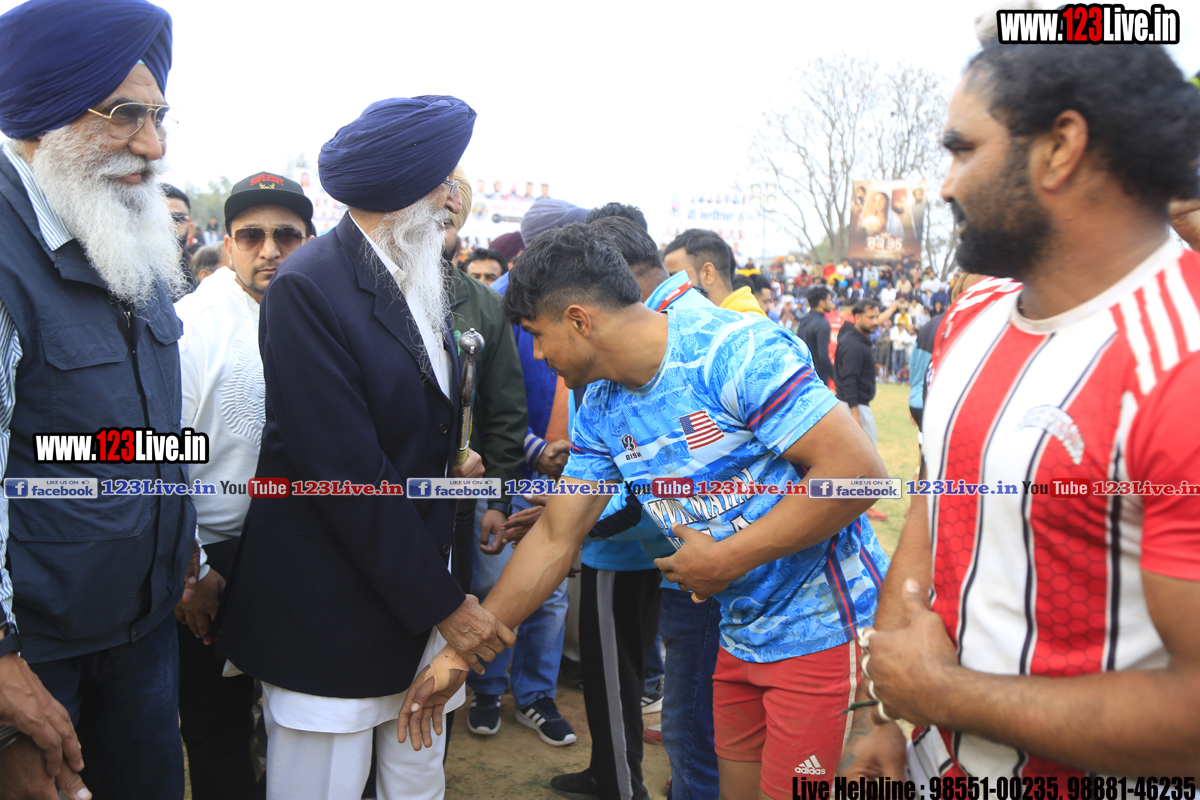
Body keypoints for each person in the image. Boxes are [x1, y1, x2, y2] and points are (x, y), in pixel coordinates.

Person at [401, 223, 892, 800]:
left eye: (537, 335)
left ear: (579, 320)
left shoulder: (733, 350)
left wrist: (728, 559)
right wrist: (462, 653)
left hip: (827, 631)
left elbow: (858, 473)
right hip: (740, 635)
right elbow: (556, 537)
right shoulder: (599, 405)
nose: (538, 355)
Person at [839, 41, 1200, 780]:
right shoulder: (972, 315)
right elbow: (933, 511)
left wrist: (943, 694)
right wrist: (876, 713)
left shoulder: (1180, 365)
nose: (944, 185)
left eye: (963, 149)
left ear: (1060, 147)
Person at [215, 96, 514, 800]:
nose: (452, 200)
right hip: (334, 614)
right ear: (403, 186)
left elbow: (409, 425)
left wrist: (449, 465)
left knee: (416, 784)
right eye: (443, 182)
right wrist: (446, 604)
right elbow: (344, 474)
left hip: (418, 594)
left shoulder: (419, 277)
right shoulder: (308, 287)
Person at [0, 1, 198, 798]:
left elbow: (137, 430)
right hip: (32, 657)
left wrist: (185, 539)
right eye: (124, 115)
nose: (153, 146)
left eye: (158, 117)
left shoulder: (124, 235)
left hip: (142, 627)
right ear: (44, 112)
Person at [173, 171, 314, 800]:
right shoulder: (190, 325)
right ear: (227, 244)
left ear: (308, 242)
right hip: (214, 556)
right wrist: (193, 570)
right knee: (216, 721)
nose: (270, 249)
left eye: (287, 234)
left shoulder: (320, 318)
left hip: (301, 549)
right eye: (251, 236)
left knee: (301, 713)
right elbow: (156, 457)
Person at [464, 196, 584, 748]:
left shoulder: (585, 299)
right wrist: (535, 450)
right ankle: (487, 689)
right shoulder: (497, 304)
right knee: (496, 582)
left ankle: (535, 694)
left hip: (569, 476)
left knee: (551, 592)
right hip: (510, 472)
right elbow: (482, 405)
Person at [663, 229, 764, 316]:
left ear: (708, 274)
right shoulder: (717, 321)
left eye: (676, 277)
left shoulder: (748, 327)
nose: (670, 287)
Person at [834, 299, 883, 450]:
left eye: (877, 317)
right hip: (853, 406)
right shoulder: (854, 344)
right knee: (868, 456)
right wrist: (856, 415)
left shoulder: (857, 339)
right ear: (857, 317)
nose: (875, 321)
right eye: (870, 317)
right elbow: (849, 380)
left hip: (851, 405)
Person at [163, 182, 198, 296]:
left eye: (176, 218)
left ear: (190, 228)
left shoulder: (201, 273)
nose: (168, 226)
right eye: (159, 218)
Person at [795, 286, 835, 385]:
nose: (831, 303)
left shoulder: (804, 320)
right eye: (829, 300)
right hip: (818, 378)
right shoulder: (822, 323)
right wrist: (836, 376)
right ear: (822, 303)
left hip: (803, 375)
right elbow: (823, 357)